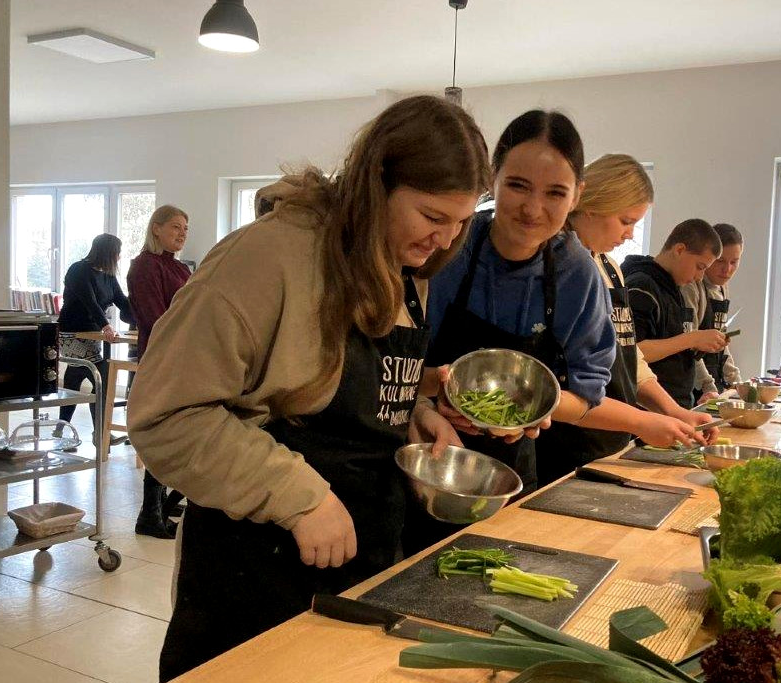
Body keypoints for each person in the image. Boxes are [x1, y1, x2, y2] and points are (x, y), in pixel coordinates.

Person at [126, 95, 489, 682]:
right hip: (259, 577)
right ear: (377, 186)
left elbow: (328, 383)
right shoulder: (268, 258)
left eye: (462, 222)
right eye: (431, 217)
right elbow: (164, 415)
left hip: (362, 568)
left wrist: (413, 411)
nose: (444, 241)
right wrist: (298, 494)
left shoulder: (399, 263)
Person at [422, 112, 705, 535]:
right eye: (517, 185)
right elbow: (399, 363)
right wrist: (430, 398)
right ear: (492, 178)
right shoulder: (448, 248)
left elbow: (587, 396)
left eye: (555, 192)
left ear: (577, 196)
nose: (533, 209)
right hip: (427, 460)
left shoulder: (577, 273)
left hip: (510, 470)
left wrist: (533, 407)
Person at [535, 154, 718, 485]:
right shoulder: (557, 267)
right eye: (625, 221)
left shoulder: (609, 268)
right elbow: (561, 385)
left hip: (611, 438)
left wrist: (674, 412)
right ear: (591, 205)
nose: (631, 234)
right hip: (565, 444)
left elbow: (630, 357)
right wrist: (641, 422)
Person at [127, 204, 193, 539]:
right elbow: (156, 317)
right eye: (175, 227)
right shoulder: (144, 266)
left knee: (176, 433)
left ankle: (162, 502)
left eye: (185, 229)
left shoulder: (179, 269)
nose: (181, 233)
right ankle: (149, 511)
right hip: (161, 360)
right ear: (156, 228)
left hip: (181, 358)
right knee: (162, 432)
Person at [621, 219, 725, 408]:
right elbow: (633, 351)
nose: (699, 277)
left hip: (675, 407)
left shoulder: (673, 286)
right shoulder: (641, 285)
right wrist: (692, 339)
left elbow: (672, 343)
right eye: (700, 267)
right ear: (679, 250)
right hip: (649, 412)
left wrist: (700, 344)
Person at [56, 234, 134, 432]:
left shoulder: (108, 275)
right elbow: (89, 302)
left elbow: (121, 300)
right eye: (117, 252)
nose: (118, 257)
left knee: (76, 377)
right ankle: (99, 431)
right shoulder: (78, 270)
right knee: (101, 378)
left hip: (92, 333)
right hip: (72, 332)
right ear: (108, 253)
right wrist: (106, 325)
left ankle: (64, 428)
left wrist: (141, 319)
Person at [683, 223, 744, 403]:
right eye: (720, 261)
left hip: (714, 380)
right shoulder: (691, 288)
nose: (727, 269)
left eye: (734, 262)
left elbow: (721, 340)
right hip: (695, 385)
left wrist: (736, 381)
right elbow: (689, 344)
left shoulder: (722, 287)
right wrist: (707, 387)